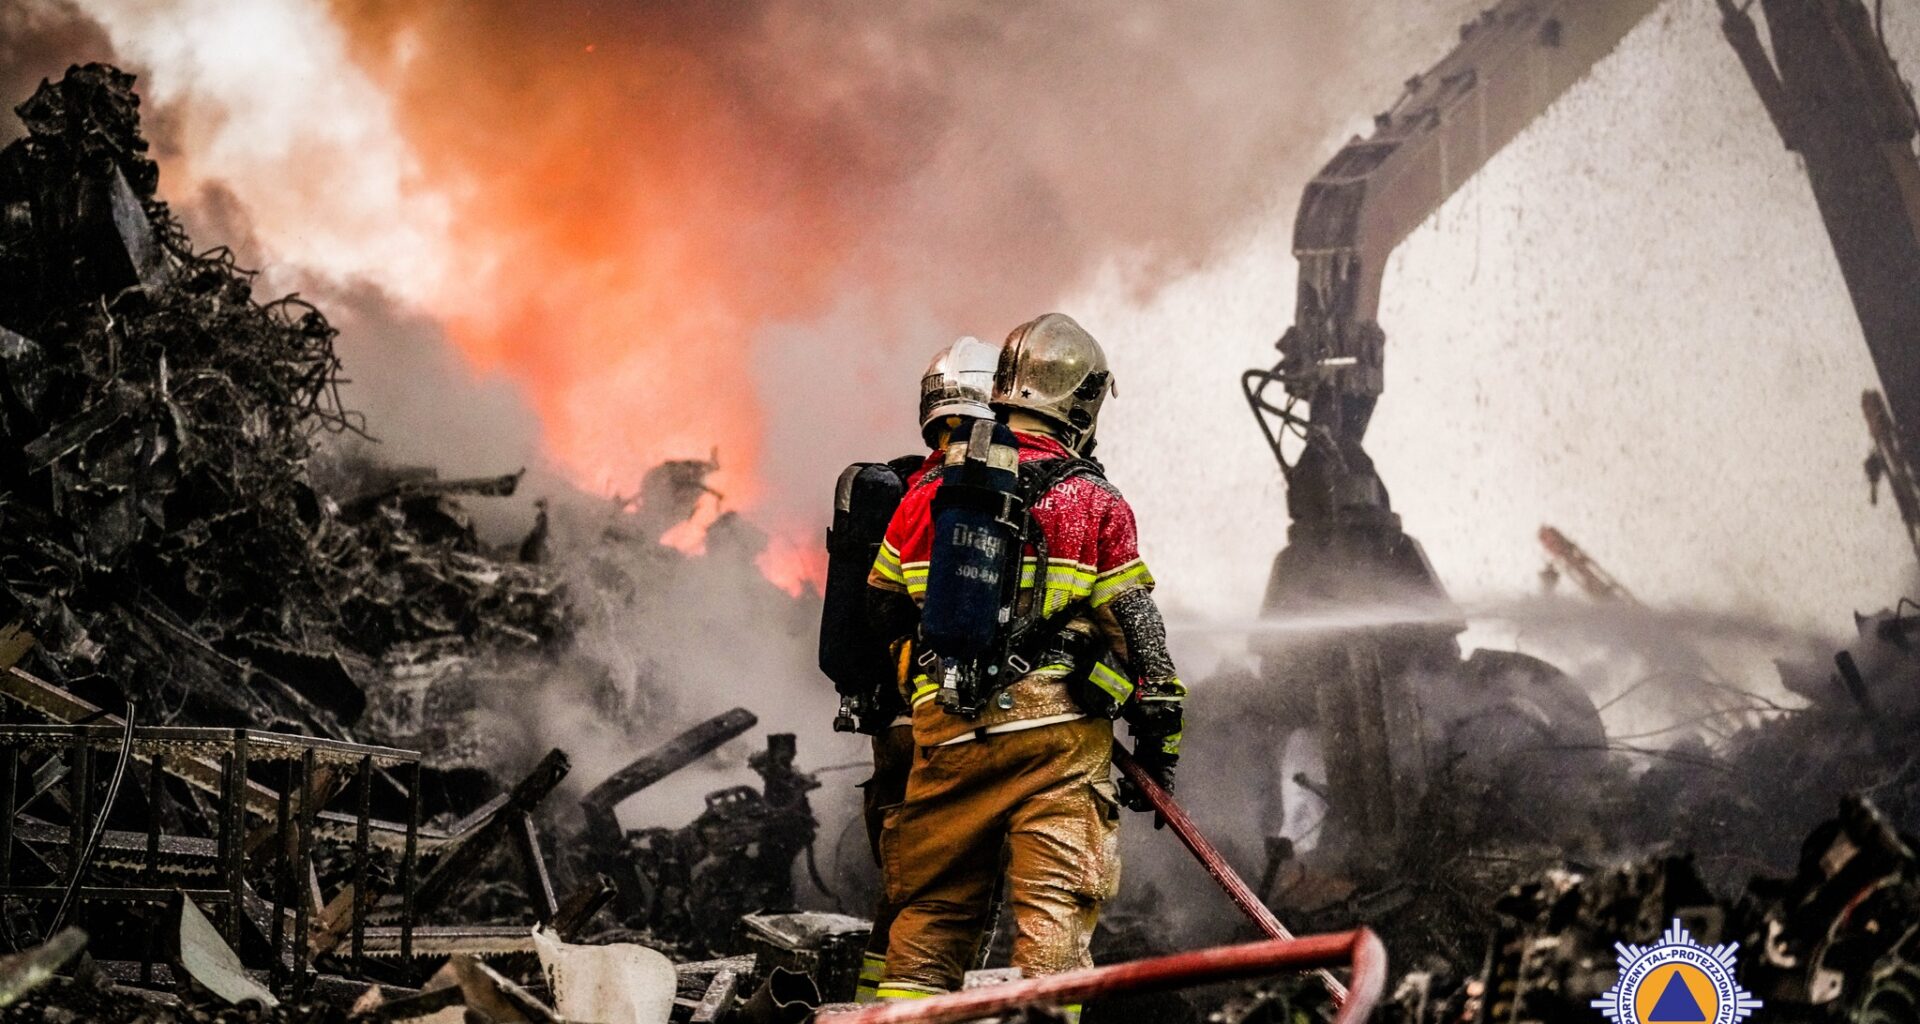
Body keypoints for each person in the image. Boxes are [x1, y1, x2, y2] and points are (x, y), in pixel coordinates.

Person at [867, 313, 1184, 1010]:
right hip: (1055, 745)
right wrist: (1160, 736)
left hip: (945, 734)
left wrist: (925, 683)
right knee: (1053, 925)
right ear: (1081, 402)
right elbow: (1138, 627)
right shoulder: (1092, 499)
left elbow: (885, 604)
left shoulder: (928, 492)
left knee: (928, 923)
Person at [850, 335, 1000, 1002]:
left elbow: (880, 600)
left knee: (903, 898)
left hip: (898, 726)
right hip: (961, 730)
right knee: (960, 906)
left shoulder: (906, 490)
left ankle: (865, 1010)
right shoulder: (992, 494)